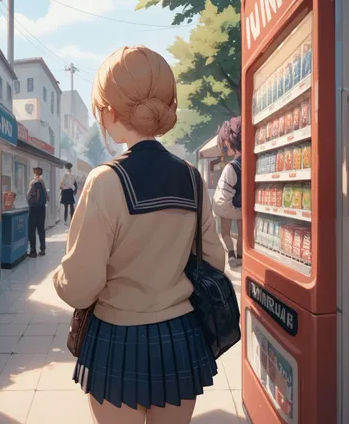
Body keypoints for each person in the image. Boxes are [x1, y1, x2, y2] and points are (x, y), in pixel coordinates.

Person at [52, 46, 225, 424]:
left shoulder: (105, 181)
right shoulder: (191, 179)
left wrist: (59, 277)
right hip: (180, 336)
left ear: (111, 113)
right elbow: (215, 261)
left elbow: (80, 286)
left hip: (118, 337)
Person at [213, 117, 243, 269]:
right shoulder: (251, 161)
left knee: (225, 232)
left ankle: (231, 254)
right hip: (245, 208)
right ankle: (240, 256)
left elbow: (221, 201)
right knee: (243, 234)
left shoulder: (231, 167)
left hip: (230, 206)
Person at [26, 167, 48, 257]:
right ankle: (42, 249)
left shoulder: (34, 183)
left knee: (32, 231)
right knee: (41, 230)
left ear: (35, 173)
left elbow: (29, 197)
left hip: (34, 209)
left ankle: (33, 251)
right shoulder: (42, 183)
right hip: (42, 209)